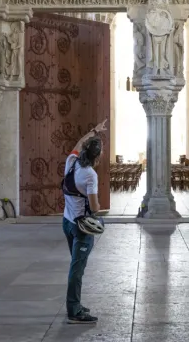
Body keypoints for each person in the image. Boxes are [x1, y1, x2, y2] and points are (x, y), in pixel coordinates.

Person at [62, 118, 107, 325]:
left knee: (76, 266)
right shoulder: (90, 175)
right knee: (76, 270)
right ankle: (74, 310)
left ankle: (75, 304)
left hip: (67, 222)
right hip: (81, 227)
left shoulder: (71, 163)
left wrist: (93, 130)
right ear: (97, 156)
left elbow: (78, 144)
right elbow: (95, 207)